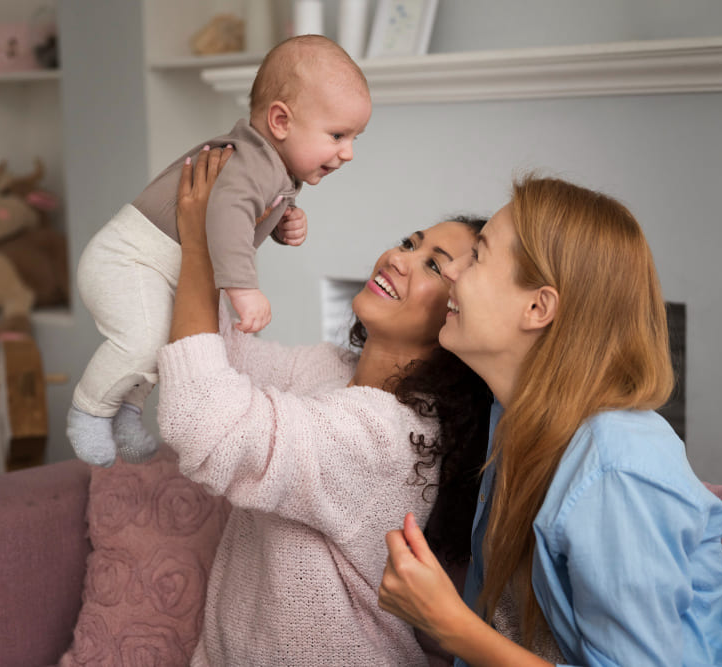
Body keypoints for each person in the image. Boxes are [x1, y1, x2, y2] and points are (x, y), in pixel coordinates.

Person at [378, 175, 722, 666]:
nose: (453, 273)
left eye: (478, 257)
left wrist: (449, 622)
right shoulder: (513, 420)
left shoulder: (615, 466)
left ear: (537, 307)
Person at [157, 145, 491, 665]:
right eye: (409, 242)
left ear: (458, 314)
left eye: (431, 265)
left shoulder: (392, 436)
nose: (397, 258)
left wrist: (200, 248)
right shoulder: (332, 369)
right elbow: (214, 355)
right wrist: (235, 229)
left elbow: (201, 419)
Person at [67, 35, 373, 467]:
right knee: (140, 341)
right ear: (281, 121)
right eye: (338, 135)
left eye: (356, 137)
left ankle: (126, 413)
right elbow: (226, 214)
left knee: (163, 344)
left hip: (159, 267)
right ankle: (89, 410)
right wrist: (243, 288)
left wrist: (284, 224)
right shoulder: (250, 161)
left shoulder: (275, 171)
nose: (349, 153)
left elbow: (243, 213)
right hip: (129, 258)